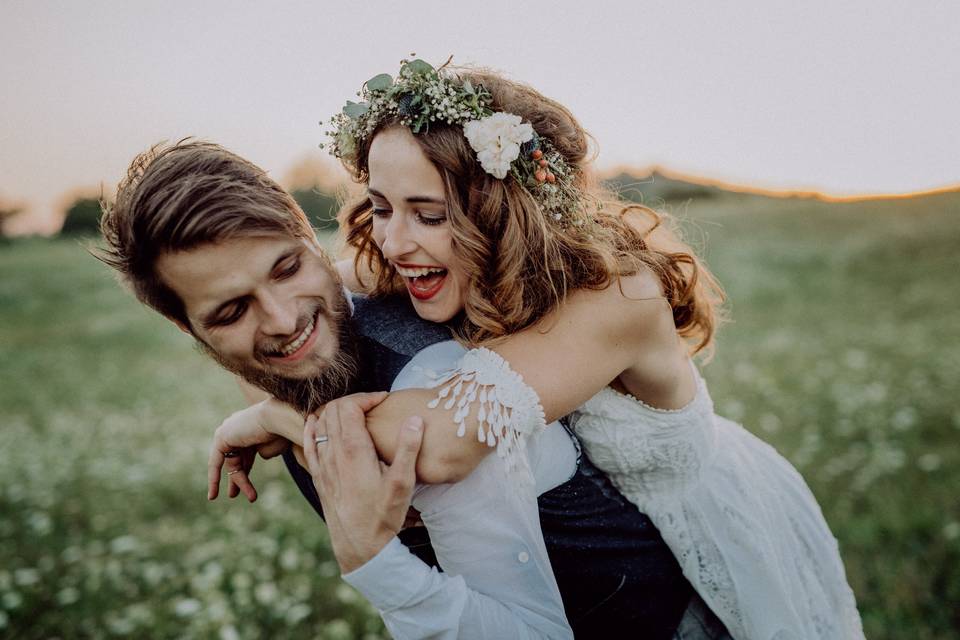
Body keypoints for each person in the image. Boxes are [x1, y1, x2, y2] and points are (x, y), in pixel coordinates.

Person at [309, 59, 865, 638]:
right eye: (379, 207)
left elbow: (440, 445)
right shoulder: (438, 260)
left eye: (429, 214)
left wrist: (283, 420)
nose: (393, 241)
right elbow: (304, 292)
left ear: (506, 213)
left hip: (713, 527)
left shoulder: (620, 297)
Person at [98, 140, 728, 638]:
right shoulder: (283, 350)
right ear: (193, 330)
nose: (283, 320)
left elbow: (524, 627)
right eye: (230, 312)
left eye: (288, 268)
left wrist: (368, 553)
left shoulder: (429, 376)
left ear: (310, 241)